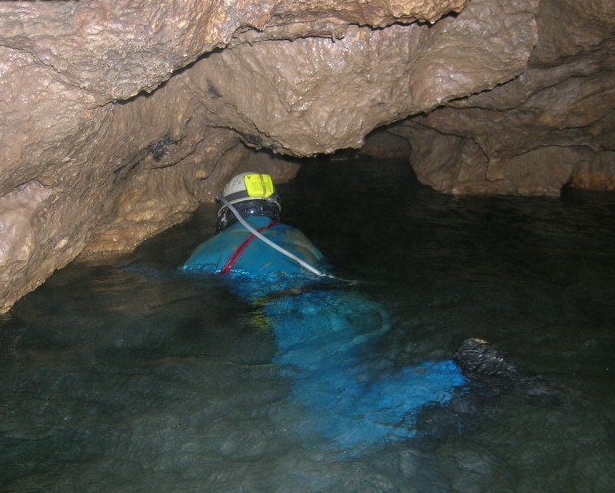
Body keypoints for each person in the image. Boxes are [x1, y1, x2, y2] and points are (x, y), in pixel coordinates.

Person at [183, 171, 472, 455]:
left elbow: (182, 287)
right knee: (352, 380)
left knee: (334, 423)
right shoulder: (295, 236)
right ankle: (450, 378)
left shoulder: (211, 249)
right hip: (349, 304)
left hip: (299, 315)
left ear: (227, 211)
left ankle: (458, 377)